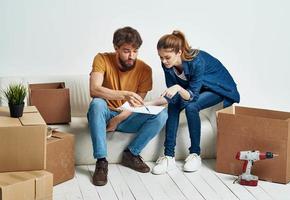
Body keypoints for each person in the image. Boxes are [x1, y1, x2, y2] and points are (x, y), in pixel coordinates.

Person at [148, 30, 240, 175]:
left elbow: (191, 96)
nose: (164, 61)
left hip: (218, 88)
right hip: (197, 88)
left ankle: (195, 154)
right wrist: (148, 104)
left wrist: (178, 87)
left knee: (192, 107)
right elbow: (172, 96)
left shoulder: (197, 61)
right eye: (161, 57)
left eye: (167, 57)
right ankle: (168, 157)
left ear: (179, 52)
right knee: (173, 105)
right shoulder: (167, 65)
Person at [87, 26, 168, 186]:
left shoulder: (145, 70)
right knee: (97, 103)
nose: (132, 56)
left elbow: (136, 105)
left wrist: (117, 120)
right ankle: (101, 162)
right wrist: (124, 94)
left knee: (162, 114)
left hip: (127, 116)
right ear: (116, 48)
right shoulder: (101, 59)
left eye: (135, 51)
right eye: (126, 51)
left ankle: (131, 154)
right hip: (103, 114)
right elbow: (94, 89)